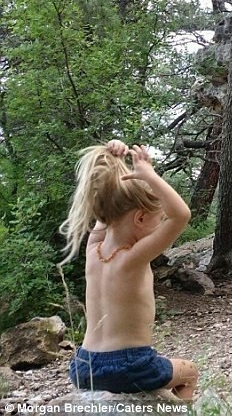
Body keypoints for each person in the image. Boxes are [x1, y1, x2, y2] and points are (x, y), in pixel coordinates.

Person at [59, 140, 198, 399]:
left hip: (83, 366)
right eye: (159, 218)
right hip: (130, 365)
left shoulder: (94, 249)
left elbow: (109, 209)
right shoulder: (133, 257)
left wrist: (115, 161)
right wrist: (149, 174)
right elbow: (181, 215)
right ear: (141, 218)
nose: (162, 223)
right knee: (189, 371)